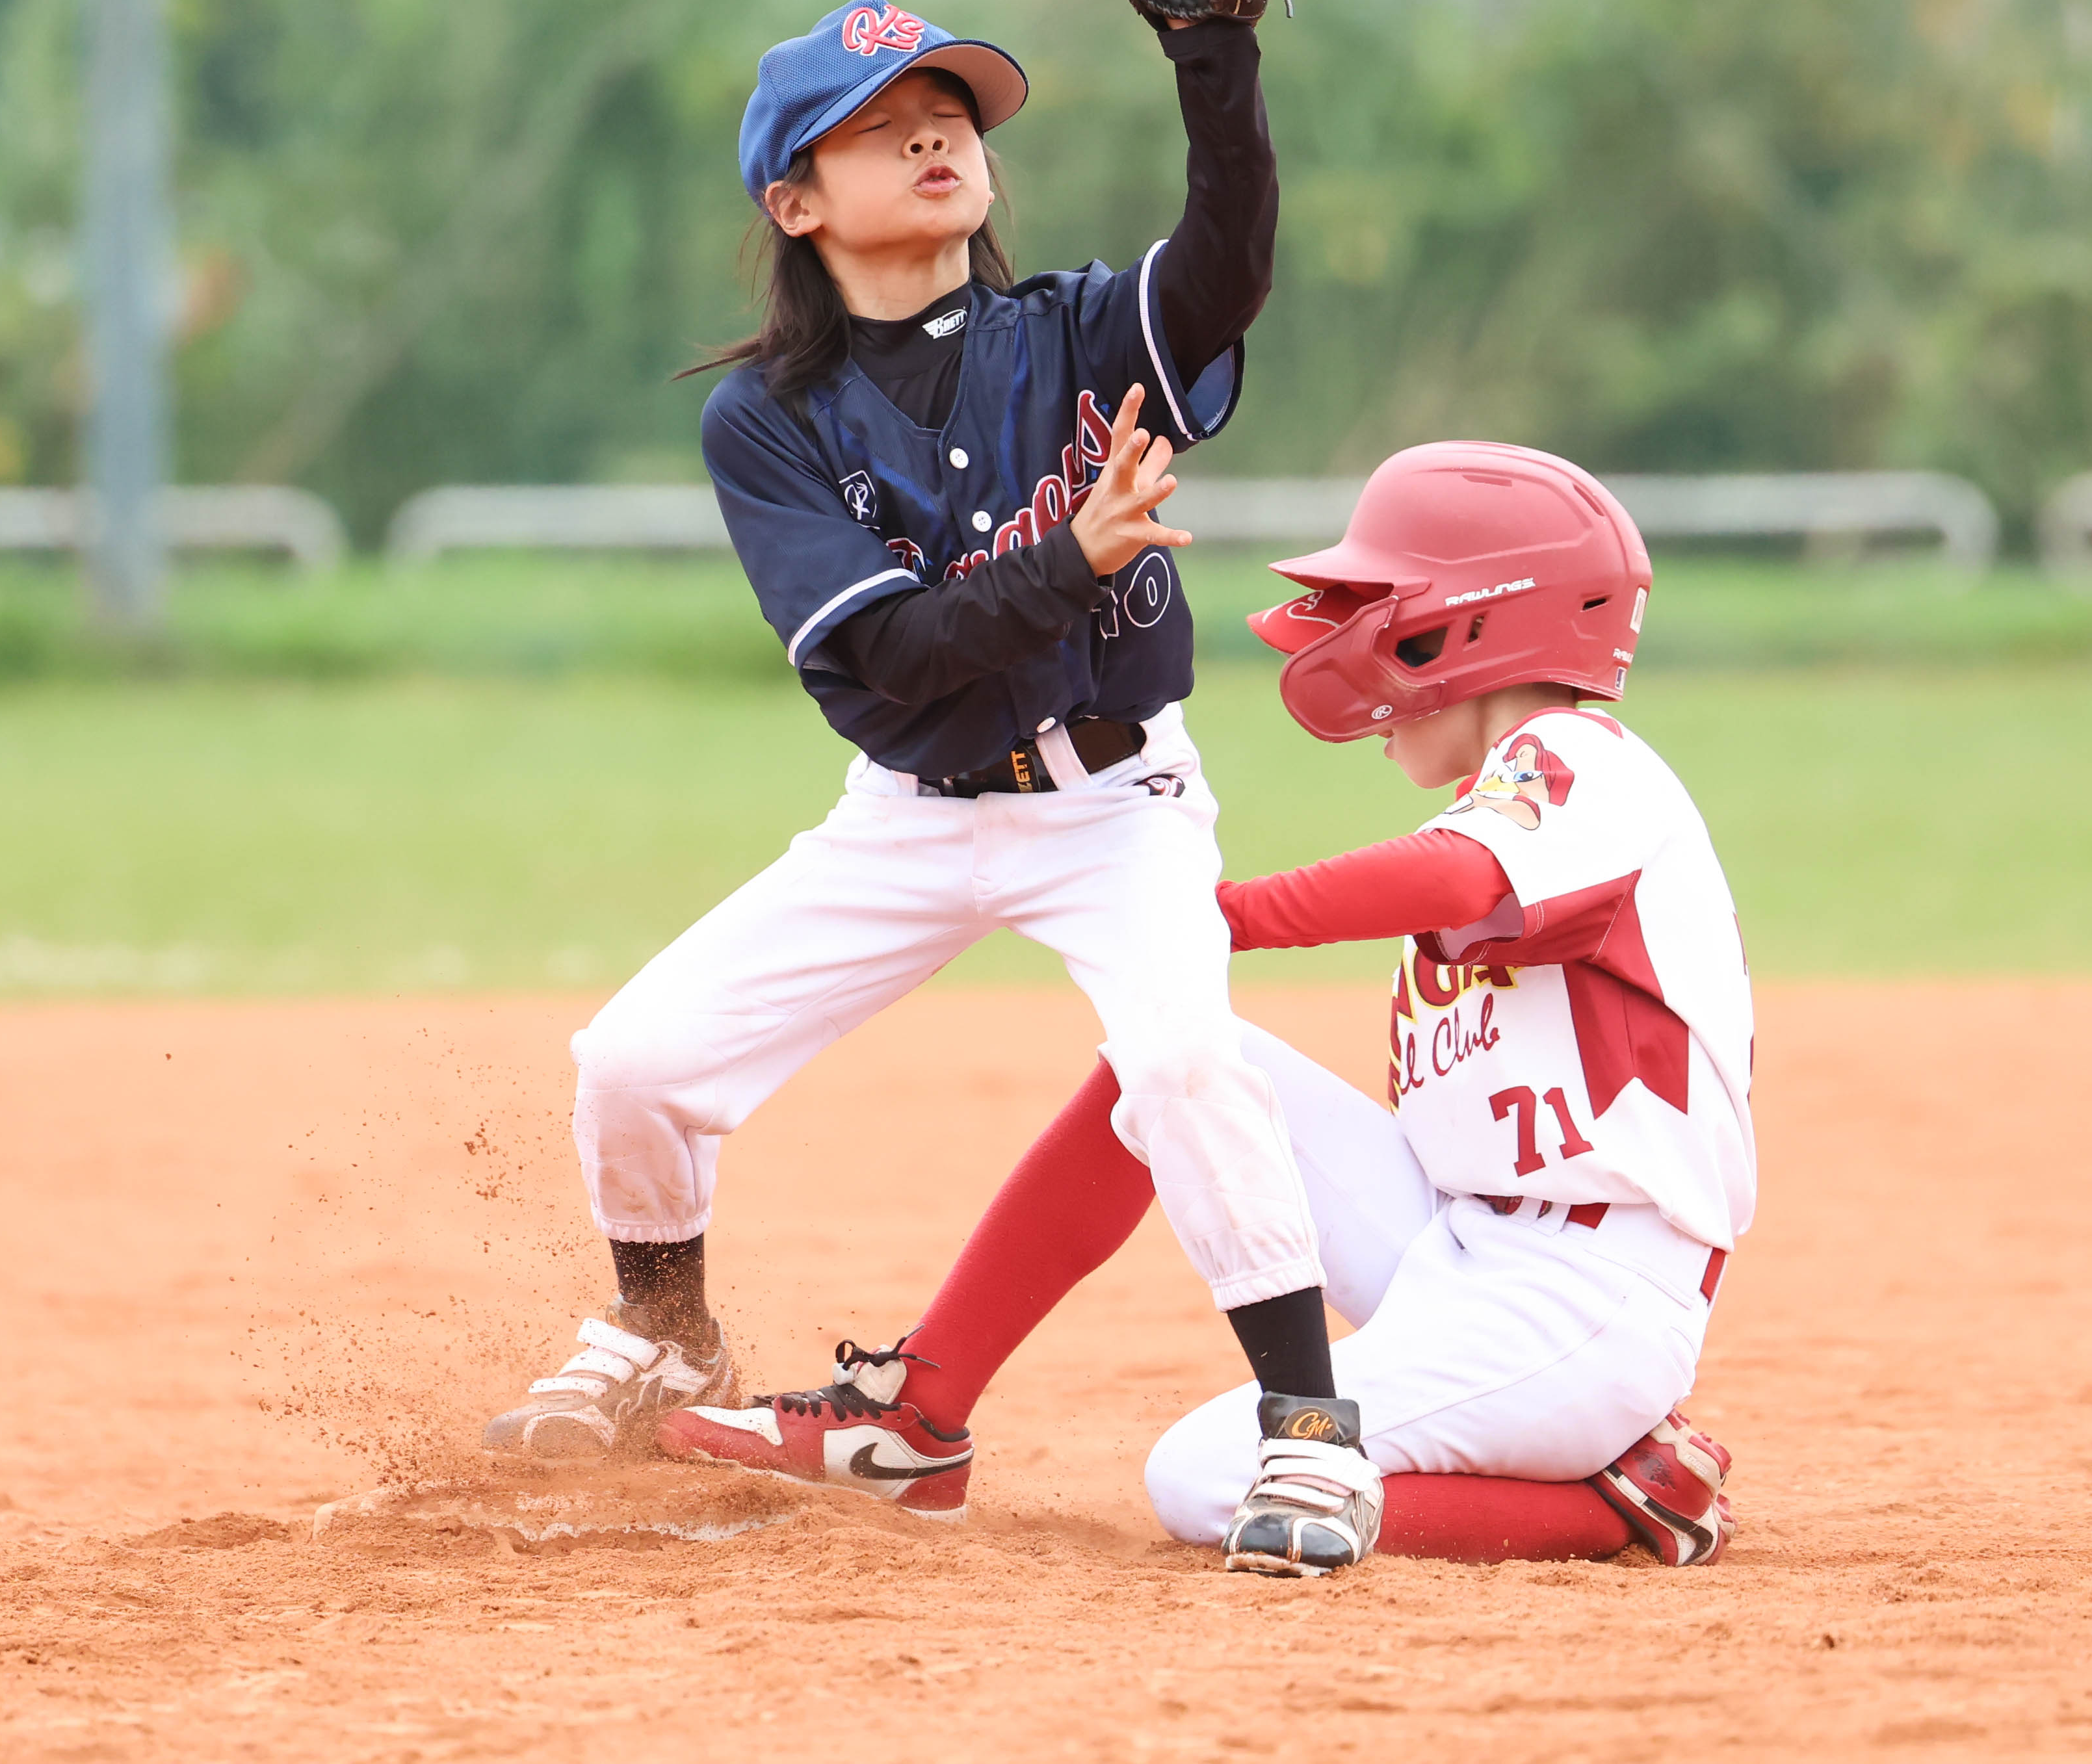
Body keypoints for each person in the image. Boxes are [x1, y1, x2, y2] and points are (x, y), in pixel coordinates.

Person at [482, 0, 1381, 1576]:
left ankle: (1308, 1430)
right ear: (795, 200)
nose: (935, 132)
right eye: (878, 120)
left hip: (1115, 809)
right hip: (905, 815)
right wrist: (1069, 553)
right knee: (632, 1060)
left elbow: (1230, 253)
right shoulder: (765, 417)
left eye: (953, 109)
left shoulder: (1084, 333)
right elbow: (894, 658)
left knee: (1179, 1060)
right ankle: (665, 1328)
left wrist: (1210, 50)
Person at [663, 442, 1754, 1573]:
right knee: (1176, 1057)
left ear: (1472, 623)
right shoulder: (1526, 783)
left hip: (1586, 1293)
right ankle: (916, 1415)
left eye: (1383, 605)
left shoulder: (1581, 758)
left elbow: (1454, 879)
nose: (1356, 639)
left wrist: (1212, 913)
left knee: (1206, 1476)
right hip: (1468, 1240)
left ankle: (1629, 1500)